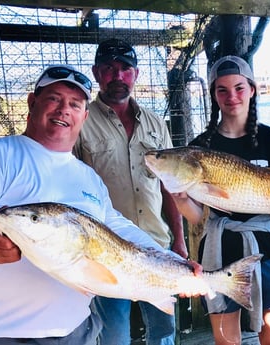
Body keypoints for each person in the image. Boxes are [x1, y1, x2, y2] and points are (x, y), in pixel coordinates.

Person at [0, 65, 201, 345]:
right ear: (32, 103)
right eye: (54, 99)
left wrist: (172, 262)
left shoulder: (87, 177)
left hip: (76, 331)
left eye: (74, 104)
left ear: (84, 116)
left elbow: (116, 227)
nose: (64, 110)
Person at [170, 55, 270, 345]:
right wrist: (181, 199)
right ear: (214, 95)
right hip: (218, 247)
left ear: (252, 89)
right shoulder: (198, 149)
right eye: (223, 90)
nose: (232, 97)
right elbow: (198, 218)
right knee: (226, 339)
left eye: (239, 88)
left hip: (266, 245)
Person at [73, 38, 186, 345]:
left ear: (136, 74)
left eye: (125, 69)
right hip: (106, 250)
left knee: (163, 331)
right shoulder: (80, 120)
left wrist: (179, 239)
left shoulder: (154, 123)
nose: (118, 76)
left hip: (156, 244)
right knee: (113, 335)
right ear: (97, 73)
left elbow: (169, 186)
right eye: (109, 69)